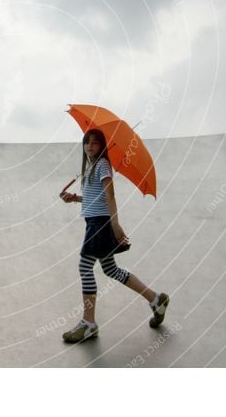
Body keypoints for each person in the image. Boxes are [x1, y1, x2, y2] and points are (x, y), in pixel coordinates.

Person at [59, 128, 169, 343]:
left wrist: (116, 225)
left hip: (100, 223)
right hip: (95, 221)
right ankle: (156, 299)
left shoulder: (102, 165)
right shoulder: (92, 167)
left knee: (84, 267)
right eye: (87, 142)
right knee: (111, 269)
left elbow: (110, 194)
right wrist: (75, 199)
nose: (90, 146)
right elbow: (97, 198)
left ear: (102, 147)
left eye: (95, 143)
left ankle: (88, 323)